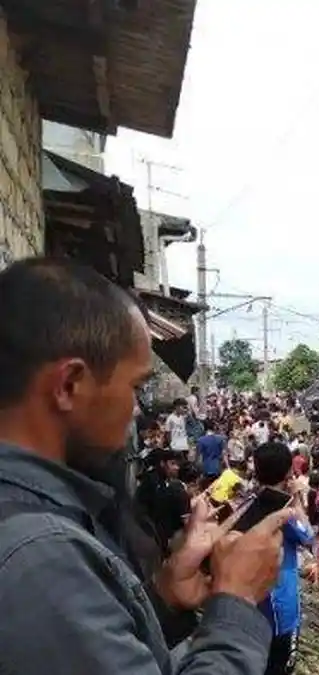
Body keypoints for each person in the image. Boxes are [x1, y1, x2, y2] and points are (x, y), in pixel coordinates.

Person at [0, 257, 294, 675]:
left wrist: (160, 598)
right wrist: (237, 603)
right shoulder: (39, 556)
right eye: (135, 386)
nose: (137, 410)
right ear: (69, 386)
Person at [234, 441, 314, 675]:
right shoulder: (283, 513)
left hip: (248, 601)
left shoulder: (248, 502)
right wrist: (297, 496)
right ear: (289, 472)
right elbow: (308, 536)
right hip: (280, 605)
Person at [195, 420, 227, 484]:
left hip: (206, 468)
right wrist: (227, 467)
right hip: (217, 468)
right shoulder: (220, 439)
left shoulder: (200, 440)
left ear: (204, 428)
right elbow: (224, 454)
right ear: (214, 428)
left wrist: (197, 468)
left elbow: (198, 457)